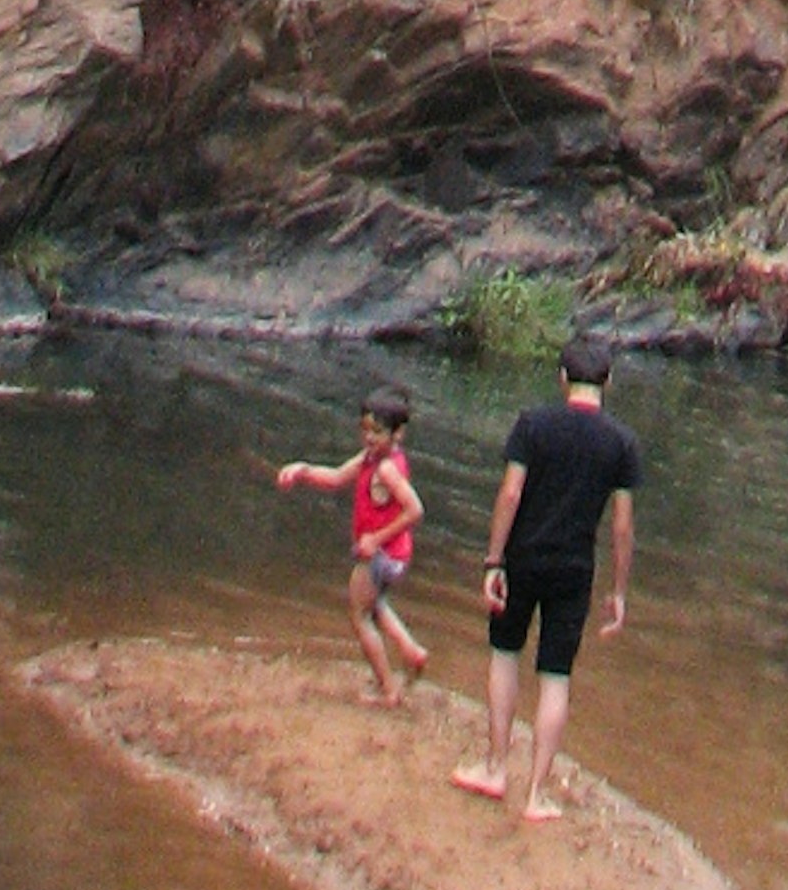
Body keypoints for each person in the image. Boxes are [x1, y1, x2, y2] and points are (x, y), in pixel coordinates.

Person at [453, 330, 638, 823]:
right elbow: (621, 525)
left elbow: (511, 494)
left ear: (562, 378)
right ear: (608, 381)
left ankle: (495, 769)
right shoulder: (621, 442)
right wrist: (618, 592)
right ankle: (536, 794)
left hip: (523, 559)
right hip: (574, 570)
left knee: (505, 655)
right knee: (555, 677)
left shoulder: (533, 424)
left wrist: (493, 561)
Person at [272, 391, 428, 706]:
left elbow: (415, 510)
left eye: (377, 432)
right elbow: (335, 478)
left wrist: (376, 538)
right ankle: (411, 651)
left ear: (398, 434)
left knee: (360, 616)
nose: (369, 437)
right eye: (365, 429)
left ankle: (387, 690)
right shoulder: (375, 458)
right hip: (396, 555)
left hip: (379, 556)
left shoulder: (386, 470)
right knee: (374, 604)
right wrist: (303, 470)